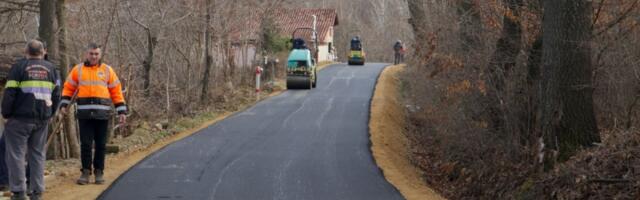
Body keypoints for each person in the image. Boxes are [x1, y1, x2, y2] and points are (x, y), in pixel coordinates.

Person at [59, 43, 127, 185]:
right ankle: (85, 171)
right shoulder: (78, 70)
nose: (94, 56)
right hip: (84, 114)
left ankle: (99, 171)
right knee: (85, 144)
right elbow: (68, 88)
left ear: (100, 55)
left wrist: (121, 111)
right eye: (91, 53)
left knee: (101, 144)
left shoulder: (107, 70)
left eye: (96, 54)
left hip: (102, 114)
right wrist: (64, 105)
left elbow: (116, 91)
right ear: (86, 54)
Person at [2, 39, 61, 200]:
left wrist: (6, 115)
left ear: (25, 52)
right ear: (43, 52)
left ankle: (19, 192)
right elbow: (57, 95)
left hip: (19, 119)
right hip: (42, 119)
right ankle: (37, 191)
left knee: (16, 155)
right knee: (37, 154)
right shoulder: (52, 70)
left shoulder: (19, 67)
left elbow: (10, 93)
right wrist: (51, 113)